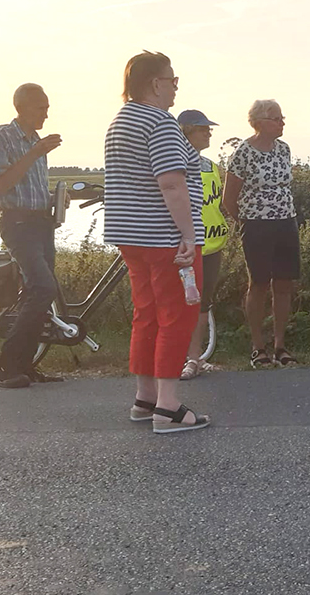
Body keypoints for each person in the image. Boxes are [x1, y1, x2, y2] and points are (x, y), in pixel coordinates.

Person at [104, 51, 208, 433]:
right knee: (177, 314)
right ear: (154, 84)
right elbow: (171, 183)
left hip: (131, 236)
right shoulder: (160, 123)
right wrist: (187, 234)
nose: (176, 85)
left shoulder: (120, 121)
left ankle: (144, 397)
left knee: (146, 313)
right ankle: (168, 406)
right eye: (172, 79)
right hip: (165, 237)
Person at [0, 83, 67, 388]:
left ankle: (24, 366)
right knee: (43, 288)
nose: (47, 113)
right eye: (41, 107)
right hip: (18, 224)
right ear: (23, 107)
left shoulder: (35, 141)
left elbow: (29, 188)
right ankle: (4, 368)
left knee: (43, 292)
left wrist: (53, 199)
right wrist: (34, 153)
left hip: (40, 222)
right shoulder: (2, 135)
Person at [224, 100, 299, 369]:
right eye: (276, 118)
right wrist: (246, 222)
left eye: (282, 117)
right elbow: (229, 198)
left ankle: (280, 345)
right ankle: (258, 347)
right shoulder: (243, 152)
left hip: (286, 222)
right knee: (258, 283)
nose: (282, 122)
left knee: (284, 284)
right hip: (256, 224)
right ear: (259, 122)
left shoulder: (284, 150)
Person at [178, 109, 227, 380]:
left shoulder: (210, 165)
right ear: (186, 130)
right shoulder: (175, 160)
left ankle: (194, 358)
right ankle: (182, 357)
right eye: (202, 128)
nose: (209, 132)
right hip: (185, 244)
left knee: (203, 303)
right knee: (180, 303)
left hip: (211, 243)